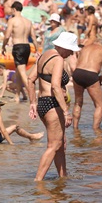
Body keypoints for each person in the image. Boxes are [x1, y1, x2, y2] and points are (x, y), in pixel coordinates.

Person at [26, 32, 79, 181]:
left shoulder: (44, 55)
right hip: (52, 104)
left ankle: (63, 177)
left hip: (43, 104)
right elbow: (56, 86)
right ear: (64, 47)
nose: (71, 53)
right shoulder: (58, 59)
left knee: (60, 144)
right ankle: (38, 181)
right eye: (70, 49)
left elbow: (30, 79)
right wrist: (66, 112)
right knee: (54, 145)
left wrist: (33, 103)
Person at [2, 1, 38, 102]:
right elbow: (34, 37)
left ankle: (33, 97)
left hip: (18, 47)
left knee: (22, 73)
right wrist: (36, 49)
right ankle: (17, 96)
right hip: (27, 47)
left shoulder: (12, 21)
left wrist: (3, 46)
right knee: (18, 72)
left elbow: (7, 36)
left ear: (14, 9)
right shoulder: (28, 21)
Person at [72, 39, 102, 130]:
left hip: (77, 73)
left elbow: (79, 63)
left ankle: (75, 129)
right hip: (91, 75)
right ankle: (96, 131)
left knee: (78, 102)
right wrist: (100, 78)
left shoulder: (84, 48)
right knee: (99, 105)